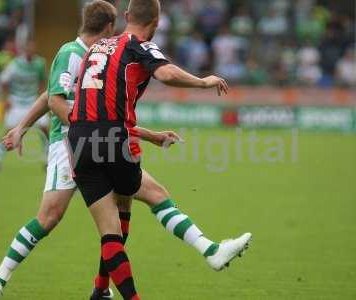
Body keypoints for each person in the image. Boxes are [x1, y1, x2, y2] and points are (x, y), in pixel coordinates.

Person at [0, 2, 181, 299]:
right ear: (111, 26)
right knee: (49, 217)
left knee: (121, 213)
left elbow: (56, 97)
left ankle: (101, 288)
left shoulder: (98, 54)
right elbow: (54, 98)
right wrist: (22, 126)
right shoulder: (71, 53)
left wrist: (23, 125)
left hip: (97, 143)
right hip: (69, 144)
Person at [67, 0, 252, 299]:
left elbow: (93, 109)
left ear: (127, 16)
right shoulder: (138, 44)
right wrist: (204, 82)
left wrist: (147, 134)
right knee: (156, 196)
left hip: (77, 141)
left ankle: (100, 291)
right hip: (114, 139)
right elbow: (165, 74)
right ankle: (211, 250)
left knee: (111, 230)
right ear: (157, 20)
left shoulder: (97, 48)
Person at [0, 40, 48, 173]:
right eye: (27, 48)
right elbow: (2, 82)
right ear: (23, 49)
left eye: (32, 48)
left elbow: (43, 81)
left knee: (44, 130)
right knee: (9, 132)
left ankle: (47, 160)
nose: (30, 51)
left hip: (33, 102)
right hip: (17, 102)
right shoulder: (14, 64)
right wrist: (6, 100)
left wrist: (43, 100)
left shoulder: (39, 63)